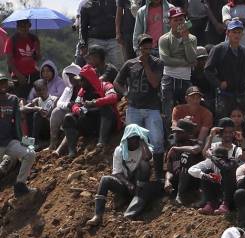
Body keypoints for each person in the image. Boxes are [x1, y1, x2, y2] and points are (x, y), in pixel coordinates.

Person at [116, 34, 165, 175]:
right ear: (139, 48)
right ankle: (132, 171)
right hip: (134, 107)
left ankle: (159, 174)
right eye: (144, 47)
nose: (146, 50)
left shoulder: (157, 63)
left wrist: (145, 64)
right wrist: (126, 93)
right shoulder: (130, 64)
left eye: (149, 47)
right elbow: (117, 82)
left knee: (157, 140)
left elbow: (155, 83)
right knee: (131, 139)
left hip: (152, 107)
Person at [87, 124, 151, 226]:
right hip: (126, 185)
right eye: (131, 138)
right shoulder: (120, 150)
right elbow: (116, 172)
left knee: (144, 164)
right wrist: (127, 184)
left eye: (137, 138)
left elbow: (147, 157)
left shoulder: (143, 149)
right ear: (126, 139)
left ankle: (137, 199)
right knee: (105, 179)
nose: (134, 141)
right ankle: (98, 215)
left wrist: (143, 142)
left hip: (140, 185)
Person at [60, 63, 119, 155]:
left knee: (106, 108)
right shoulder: (82, 91)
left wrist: (94, 102)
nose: (80, 83)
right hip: (90, 123)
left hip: (107, 123)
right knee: (68, 118)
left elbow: (113, 97)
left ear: (89, 80)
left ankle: (101, 143)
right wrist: (78, 110)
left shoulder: (105, 86)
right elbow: (75, 104)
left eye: (82, 80)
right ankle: (72, 150)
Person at [204, 19, 245, 118]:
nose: (237, 35)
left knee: (242, 123)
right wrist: (219, 83)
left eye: (239, 32)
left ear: (242, 34)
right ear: (228, 33)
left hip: (241, 95)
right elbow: (208, 70)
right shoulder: (218, 49)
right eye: (234, 32)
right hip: (225, 95)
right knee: (224, 123)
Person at [0, 74, 34, 199]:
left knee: (30, 153)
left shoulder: (13, 99)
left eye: (4, 83)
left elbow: (18, 124)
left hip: (8, 142)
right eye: (0, 83)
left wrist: (25, 141)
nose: (2, 86)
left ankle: (20, 185)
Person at [159, 8, 197, 116]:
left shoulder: (192, 38)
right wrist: (186, 63)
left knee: (187, 112)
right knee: (168, 111)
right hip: (169, 79)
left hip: (185, 78)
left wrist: (185, 38)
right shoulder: (164, 39)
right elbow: (165, 60)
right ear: (170, 22)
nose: (179, 22)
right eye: (175, 20)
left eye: (181, 19)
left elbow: (192, 58)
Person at [79, 0, 124, 66]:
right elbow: (83, 27)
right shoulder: (86, 6)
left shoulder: (114, 3)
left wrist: (120, 34)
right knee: (94, 67)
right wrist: (83, 44)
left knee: (119, 66)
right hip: (94, 40)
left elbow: (120, 18)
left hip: (113, 39)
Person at [5, 20, 40, 94]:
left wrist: (37, 52)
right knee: (21, 98)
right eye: (21, 26)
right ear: (17, 27)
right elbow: (9, 61)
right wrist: (19, 75)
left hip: (34, 75)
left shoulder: (34, 39)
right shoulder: (12, 40)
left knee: (35, 98)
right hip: (18, 76)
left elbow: (37, 58)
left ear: (29, 26)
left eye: (25, 26)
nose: (23, 29)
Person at [20, 79, 54, 148]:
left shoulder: (53, 99)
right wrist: (36, 108)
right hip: (41, 131)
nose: (41, 92)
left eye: (43, 89)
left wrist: (38, 110)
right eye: (38, 90)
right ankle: (32, 140)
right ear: (35, 91)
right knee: (27, 113)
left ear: (47, 88)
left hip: (49, 129)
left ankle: (34, 142)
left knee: (37, 115)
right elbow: (22, 109)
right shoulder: (37, 100)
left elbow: (46, 114)